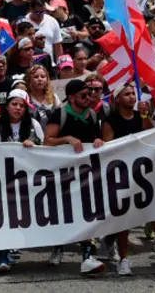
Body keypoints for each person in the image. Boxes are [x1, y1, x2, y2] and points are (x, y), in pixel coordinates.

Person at [44, 78, 106, 274]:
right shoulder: (60, 114)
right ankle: (58, 247)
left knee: (86, 213)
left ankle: (87, 256)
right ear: (71, 98)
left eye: (91, 93)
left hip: (86, 174)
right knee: (63, 212)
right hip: (63, 174)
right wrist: (67, 139)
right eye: (84, 95)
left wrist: (98, 140)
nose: (89, 97)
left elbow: (96, 138)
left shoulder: (93, 115)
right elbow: (47, 141)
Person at [100, 84, 150, 275]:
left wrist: (145, 116)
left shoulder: (140, 116)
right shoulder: (110, 121)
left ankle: (109, 238)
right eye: (126, 94)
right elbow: (110, 148)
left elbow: (151, 137)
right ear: (118, 99)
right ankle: (124, 259)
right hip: (119, 174)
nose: (131, 97)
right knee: (123, 217)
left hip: (140, 173)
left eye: (133, 94)